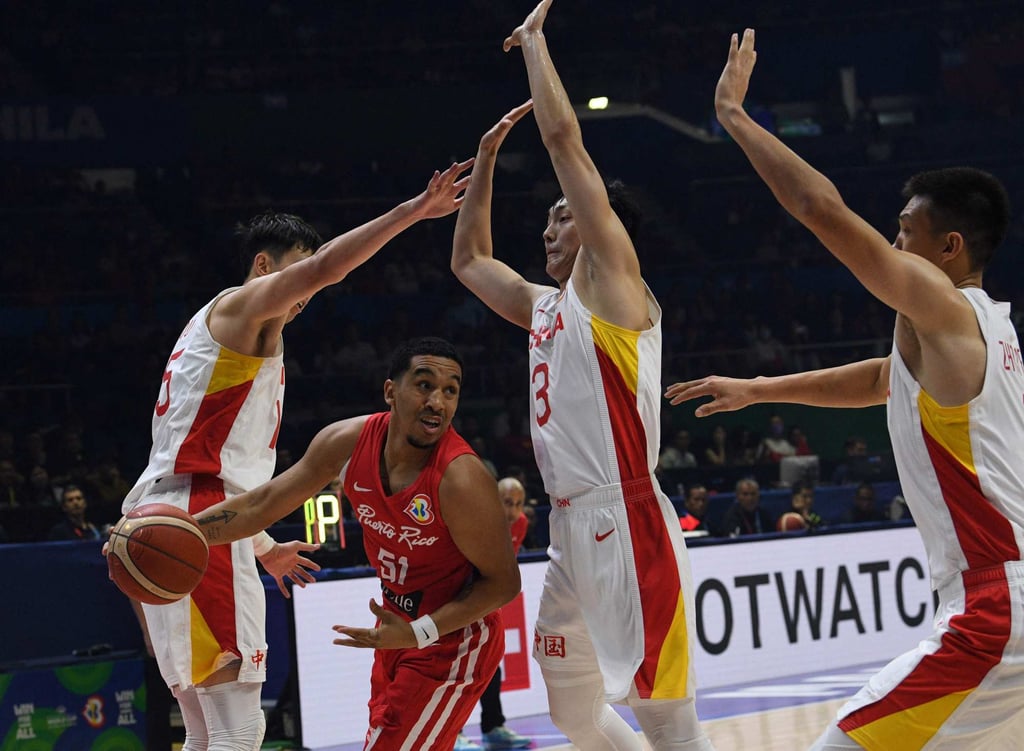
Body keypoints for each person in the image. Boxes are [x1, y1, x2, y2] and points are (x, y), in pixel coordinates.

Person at [667, 28, 1022, 750]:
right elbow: (880, 380)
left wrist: (735, 117)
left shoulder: (946, 307)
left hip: (994, 607)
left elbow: (821, 209)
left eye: (903, 232)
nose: (891, 246)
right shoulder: (986, 331)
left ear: (948, 248)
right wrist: (762, 387)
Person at [118, 164, 473, 751]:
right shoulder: (243, 307)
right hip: (196, 521)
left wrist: (261, 546)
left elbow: (215, 458)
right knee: (240, 727)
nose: (307, 295)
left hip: (173, 518)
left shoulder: (229, 336)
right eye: (297, 277)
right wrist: (415, 211)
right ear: (264, 267)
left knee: (206, 728)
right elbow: (329, 266)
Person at [450, 3, 715, 748]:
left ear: (602, 230)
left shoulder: (614, 284)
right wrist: (487, 160)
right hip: (568, 525)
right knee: (569, 709)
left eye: (563, 216)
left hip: (625, 516)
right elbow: (469, 261)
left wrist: (534, 46)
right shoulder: (544, 304)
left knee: (665, 713)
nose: (548, 226)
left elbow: (565, 138)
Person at [194, 337, 521, 751]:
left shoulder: (462, 477)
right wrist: (184, 528)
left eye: (450, 391)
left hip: (452, 640)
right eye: (424, 385)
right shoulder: (346, 441)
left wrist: (418, 633)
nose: (437, 402)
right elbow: (264, 503)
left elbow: (504, 584)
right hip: (395, 631)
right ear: (390, 391)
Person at [456, 476, 533, 750]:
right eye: (507, 503)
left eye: (518, 504)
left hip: (487, 600)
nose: (513, 511)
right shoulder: (476, 522)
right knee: (456, 669)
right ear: (493, 501)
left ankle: (493, 728)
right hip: (459, 596)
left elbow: (502, 569)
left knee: (489, 665)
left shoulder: (520, 524)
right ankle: (453, 734)